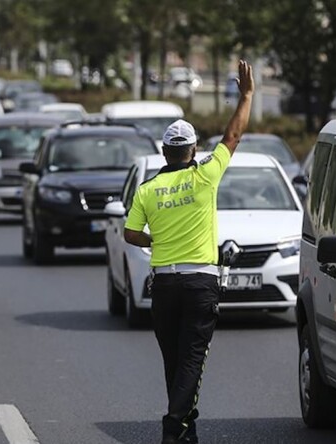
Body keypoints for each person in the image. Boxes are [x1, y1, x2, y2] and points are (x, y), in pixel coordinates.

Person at [124, 60, 255, 444]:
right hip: (200, 283)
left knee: (174, 362)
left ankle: (185, 432)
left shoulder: (147, 189)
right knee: (192, 362)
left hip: (163, 285)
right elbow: (232, 135)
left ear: (164, 151)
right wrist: (246, 95)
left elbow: (131, 234)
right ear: (194, 149)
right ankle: (173, 429)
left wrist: (156, 242)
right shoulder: (205, 176)